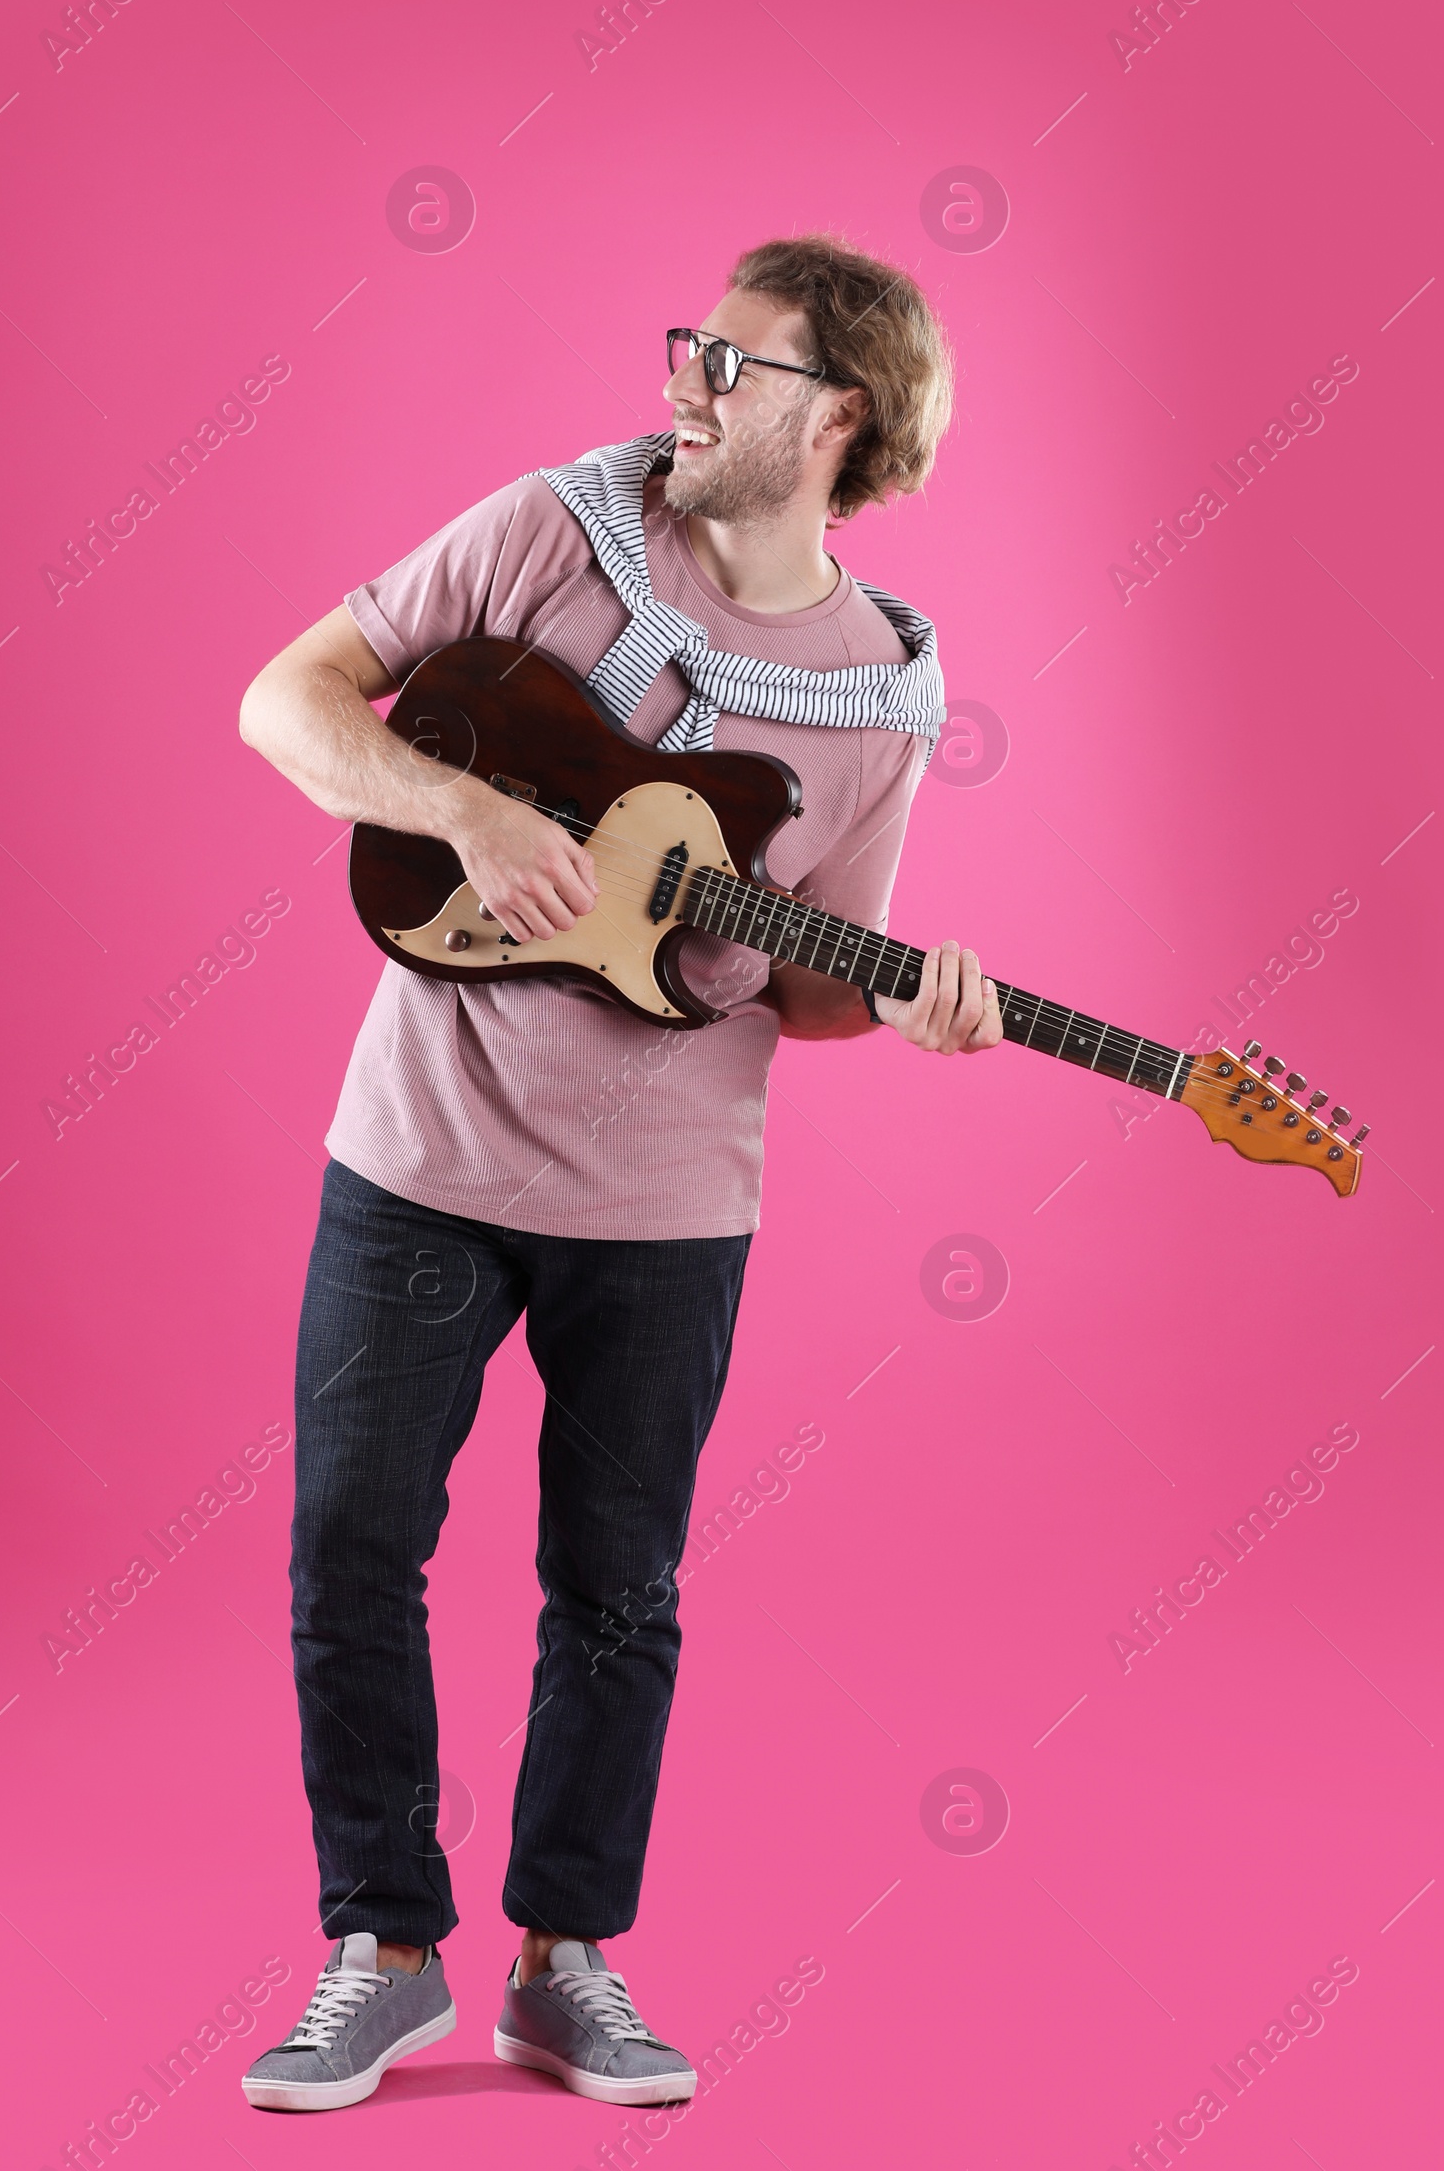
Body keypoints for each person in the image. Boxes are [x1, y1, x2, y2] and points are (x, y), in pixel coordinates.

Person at [236, 236, 1004, 2114]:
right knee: (352, 1547)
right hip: (420, 1153)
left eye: (736, 366)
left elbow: (815, 992)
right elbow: (290, 701)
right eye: (691, 345)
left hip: (667, 1209)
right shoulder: (551, 531)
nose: (688, 381)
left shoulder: (886, 692)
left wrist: (913, 1006)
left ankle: (566, 1965)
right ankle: (382, 1947)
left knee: (618, 1590)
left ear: (843, 418)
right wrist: (469, 805)